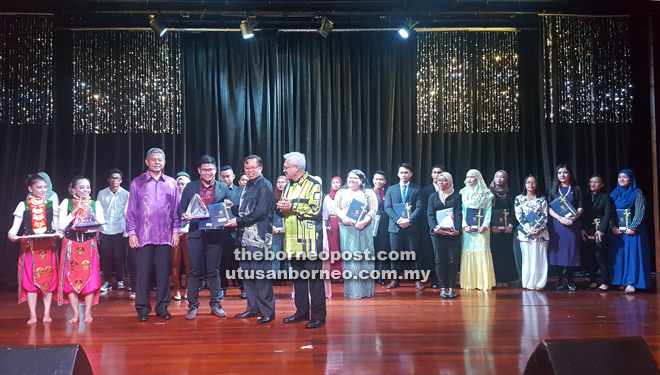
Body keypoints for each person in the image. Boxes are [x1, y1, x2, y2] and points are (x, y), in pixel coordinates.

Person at [126, 148, 181, 322]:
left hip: (165, 236)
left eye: (160, 160)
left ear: (164, 163)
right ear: (147, 162)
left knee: (164, 273)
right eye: (153, 159)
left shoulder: (171, 183)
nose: (157, 162)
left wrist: (176, 231)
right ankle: (142, 309)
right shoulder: (137, 183)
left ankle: (162, 307)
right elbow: (131, 211)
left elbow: (176, 211)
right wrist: (132, 233)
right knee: (143, 273)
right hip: (143, 236)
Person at [225, 155, 276, 325]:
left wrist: (238, 221)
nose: (250, 171)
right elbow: (246, 210)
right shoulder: (247, 185)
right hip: (244, 237)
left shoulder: (265, 186)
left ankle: (268, 311)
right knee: (247, 275)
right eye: (247, 168)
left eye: (253, 167)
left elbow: (260, 212)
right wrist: (234, 208)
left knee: (260, 275)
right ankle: (253, 308)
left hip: (258, 238)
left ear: (260, 168)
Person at [178, 155, 231, 320]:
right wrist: (184, 215)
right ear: (199, 171)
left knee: (214, 270)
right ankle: (192, 306)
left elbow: (227, 207)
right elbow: (181, 208)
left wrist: (229, 206)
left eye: (211, 169)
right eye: (205, 170)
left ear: (215, 170)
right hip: (195, 234)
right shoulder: (190, 187)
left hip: (215, 235)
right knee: (194, 271)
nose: (208, 172)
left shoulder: (223, 187)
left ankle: (216, 305)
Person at [278, 152, 326, 329]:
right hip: (292, 239)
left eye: (286, 167)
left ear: (296, 168)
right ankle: (302, 311)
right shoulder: (288, 186)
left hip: (310, 240)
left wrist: (293, 206)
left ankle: (319, 316)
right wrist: (283, 208)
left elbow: (315, 211)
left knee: (314, 279)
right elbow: (286, 208)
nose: (284, 170)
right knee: (298, 279)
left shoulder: (314, 185)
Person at [7, 174, 61, 324]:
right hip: (30, 247)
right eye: (39, 187)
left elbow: (56, 227)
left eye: (45, 187)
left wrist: (60, 232)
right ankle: (32, 314)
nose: (43, 190)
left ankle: (47, 313)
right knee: (30, 280)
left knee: (48, 279)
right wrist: (11, 235)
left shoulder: (51, 204)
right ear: (30, 189)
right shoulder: (22, 205)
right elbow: (13, 229)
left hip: (48, 246)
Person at [57, 176, 104, 323]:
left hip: (89, 244)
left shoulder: (95, 204)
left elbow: (103, 226)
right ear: (74, 190)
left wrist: (91, 223)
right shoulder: (67, 203)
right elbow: (60, 225)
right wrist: (74, 212)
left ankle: (88, 312)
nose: (85, 190)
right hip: (71, 244)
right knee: (70, 277)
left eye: (88, 187)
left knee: (90, 278)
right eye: (82, 187)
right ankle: (75, 313)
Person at [334, 170, 378, 299]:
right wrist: (343, 217)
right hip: (347, 228)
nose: (351, 180)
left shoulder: (369, 193)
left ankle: (366, 291)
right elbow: (336, 208)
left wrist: (364, 222)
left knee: (365, 259)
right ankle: (353, 291)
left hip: (364, 228)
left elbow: (374, 209)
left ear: (361, 180)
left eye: (355, 178)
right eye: (349, 178)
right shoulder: (341, 192)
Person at [608, 169, 651, 294]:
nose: (622, 179)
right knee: (620, 256)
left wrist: (633, 227)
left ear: (631, 179)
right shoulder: (614, 194)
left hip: (634, 231)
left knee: (633, 255)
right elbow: (609, 212)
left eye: (625, 177)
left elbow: (640, 211)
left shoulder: (637, 193)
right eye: (620, 177)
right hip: (618, 232)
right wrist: (612, 226)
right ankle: (620, 281)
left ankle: (631, 282)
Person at [384, 163, 425, 291]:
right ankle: (395, 280)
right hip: (395, 227)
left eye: (406, 172)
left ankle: (417, 280)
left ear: (411, 174)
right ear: (398, 174)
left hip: (412, 227)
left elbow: (420, 207)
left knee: (414, 253)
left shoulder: (417, 189)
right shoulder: (391, 189)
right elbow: (387, 207)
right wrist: (399, 220)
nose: (403, 175)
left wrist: (409, 220)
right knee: (395, 253)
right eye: (401, 172)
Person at [547, 164, 583, 291]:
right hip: (557, 225)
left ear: (569, 174)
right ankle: (559, 279)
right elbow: (548, 208)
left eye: (565, 172)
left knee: (571, 252)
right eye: (559, 173)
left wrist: (572, 219)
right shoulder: (553, 189)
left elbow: (581, 206)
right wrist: (560, 218)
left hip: (572, 225)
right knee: (558, 252)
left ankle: (570, 279)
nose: (562, 175)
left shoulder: (576, 188)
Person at [427, 172, 462, 298]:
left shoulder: (457, 196)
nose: (441, 183)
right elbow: (430, 215)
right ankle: (442, 287)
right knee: (439, 260)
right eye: (439, 180)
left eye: (444, 180)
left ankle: (451, 287)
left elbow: (458, 214)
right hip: (437, 234)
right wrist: (435, 229)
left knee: (452, 260)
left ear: (450, 181)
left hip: (453, 234)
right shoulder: (432, 197)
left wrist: (457, 229)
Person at [459, 169, 496, 291]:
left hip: (482, 229)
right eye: (467, 176)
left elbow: (488, 210)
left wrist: (485, 224)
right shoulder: (463, 192)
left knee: (482, 251)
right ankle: (469, 282)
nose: (469, 179)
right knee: (468, 250)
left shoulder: (486, 193)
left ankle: (483, 282)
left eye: (472, 177)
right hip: (467, 228)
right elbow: (462, 211)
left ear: (478, 178)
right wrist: (464, 225)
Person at [97, 168, 130, 292]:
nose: (114, 180)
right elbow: (98, 212)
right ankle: (107, 281)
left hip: (119, 229)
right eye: (112, 178)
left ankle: (120, 280)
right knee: (106, 256)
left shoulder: (126, 194)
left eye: (117, 178)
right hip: (105, 228)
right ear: (108, 180)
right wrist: (98, 231)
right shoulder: (102, 193)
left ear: (121, 180)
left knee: (119, 256)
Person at [514, 175, 549, 290]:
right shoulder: (519, 199)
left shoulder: (542, 199)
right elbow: (519, 216)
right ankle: (528, 282)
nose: (531, 184)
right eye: (528, 182)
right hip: (526, 234)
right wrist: (530, 229)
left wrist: (538, 228)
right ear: (525, 184)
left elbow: (545, 215)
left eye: (533, 182)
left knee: (540, 257)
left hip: (541, 233)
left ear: (537, 184)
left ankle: (540, 283)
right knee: (528, 258)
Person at [580, 174, 613, 291]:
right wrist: (582, 229)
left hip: (600, 229)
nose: (592, 184)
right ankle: (593, 281)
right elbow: (582, 214)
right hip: (588, 229)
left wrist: (601, 230)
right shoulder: (585, 197)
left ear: (602, 185)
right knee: (588, 255)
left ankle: (605, 282)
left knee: (600, 256)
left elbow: (608, 213)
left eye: (596, 182)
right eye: (591, 182)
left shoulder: (605, 197)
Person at [488, 170, 519, 287]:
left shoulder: (510, 194)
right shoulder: (488, 193)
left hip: (507, 230)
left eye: (502, 177)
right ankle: (495, 279)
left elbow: (513, 211)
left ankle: (505, 279)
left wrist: (511, 225)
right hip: (493, 230)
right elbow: (486, 211)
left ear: (506, 179)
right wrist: (491, 225)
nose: (499, 179)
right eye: (497, 176)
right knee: (495, 254)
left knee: (506, 253)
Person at [219, 165, 244, 298]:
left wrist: (233, 207)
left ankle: (243, 287)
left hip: (237, 232)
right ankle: (223, 287)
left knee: (239, 261)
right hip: (220, 232)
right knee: (222, 261)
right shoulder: (216, 190)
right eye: (223, 176)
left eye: (228, 176)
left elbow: (244, 210)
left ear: (233, 177)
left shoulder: (241, 191)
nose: (226, 179)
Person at [418, 165, 444, 288]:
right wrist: (433, 223)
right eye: (434, 172)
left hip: (446, 226)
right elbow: (423, 209)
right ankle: (433, 278)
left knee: (442, 253)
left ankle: (442, 278)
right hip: (428, 226)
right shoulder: (425, 190)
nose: (437, 175)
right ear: (431, 175)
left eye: (439, 172)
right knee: (430, 252)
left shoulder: (449, 189)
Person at [171, 172, 191, 300]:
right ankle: (176, 287)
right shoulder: (171, 198)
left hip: (189, 231)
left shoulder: (193, 198)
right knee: (175, 261)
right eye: (178, 184)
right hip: (175, 232)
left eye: (183, 184)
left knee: (189, 261)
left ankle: (189, 287)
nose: (180, 186)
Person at [322, 176, 343, 283]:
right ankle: (335, 274)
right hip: (332, 223)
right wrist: (325, 223)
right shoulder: (326, 197)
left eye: (337, 182)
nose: (335, 184)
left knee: (343, 248)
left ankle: (343, 275)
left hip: (344, 222)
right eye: (334, 182)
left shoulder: (345, 195)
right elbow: (325, 212)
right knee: (334, 248)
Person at [372, 171, 390, 286]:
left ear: (385, 182)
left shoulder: (388, 193)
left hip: (384, 226)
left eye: (381, 179)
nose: (379, 181)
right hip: (369, 225)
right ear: (373, 180)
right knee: (370, 250)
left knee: (382, 251)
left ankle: (380, 276)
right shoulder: (368, 192)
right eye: (377, 179)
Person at [272, 176, 289, 286]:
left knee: (285, 253)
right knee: (274, 253)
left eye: (283, 182)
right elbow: (268, 213)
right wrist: (271, 226)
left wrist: (286, 227)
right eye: (278, 182)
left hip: (287, 229)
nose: (280, 184)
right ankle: (274, 276)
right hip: (274, 229)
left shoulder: (289, 197)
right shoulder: (272, 197)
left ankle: (283, 277)